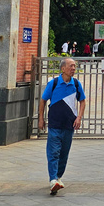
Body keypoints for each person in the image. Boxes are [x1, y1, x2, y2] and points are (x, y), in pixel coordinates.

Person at [39, 57, 87, 194]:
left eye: (74, 66)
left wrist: (79, 118)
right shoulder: (53, 83)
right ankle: (53, 179)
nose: (73, 68)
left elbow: (82, 102)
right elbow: (43, 101)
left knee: (64, 154)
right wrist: (41, 119)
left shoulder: (76, 84)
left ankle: (58, 177)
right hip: (54, 124)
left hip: (69, 125)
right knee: (53, 152)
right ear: (63, 68)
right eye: (71, 66)